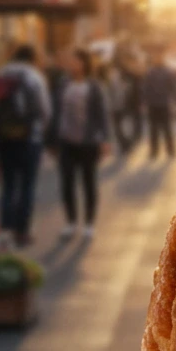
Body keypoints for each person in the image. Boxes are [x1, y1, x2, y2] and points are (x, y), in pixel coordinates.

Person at [0, 44, 51, 246]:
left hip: (3, 137)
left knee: (8, 184)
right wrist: (42, 132)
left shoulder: (3, 73)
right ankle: (22, 231)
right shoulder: (34, 76)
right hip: (29, 137)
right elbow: (44, 109)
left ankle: (5, 227)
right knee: (27, 185)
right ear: (33, 57)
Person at [50, 49, 110, 239]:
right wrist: (51, 139)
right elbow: (55, 112)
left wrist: (105, 139)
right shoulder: (62, 84)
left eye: (74, 60)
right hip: (66, 141)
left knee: (88, 182)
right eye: (70, 60)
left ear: (84, 63)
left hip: (88, 142)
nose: (71, 64)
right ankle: (71, 222)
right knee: (67, 182)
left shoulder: (94, 86)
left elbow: (102, 115)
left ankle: (89, 222)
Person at [142, 52, 176, 159]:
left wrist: (174, 100)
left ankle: (170, 150)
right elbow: (145, 87)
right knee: (153, 129)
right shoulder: (150, 72)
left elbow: (173, 87)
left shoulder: (168, 72)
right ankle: (154, 150)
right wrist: (144, 101)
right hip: (153, 104)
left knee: (167, 128)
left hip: (164, 103)